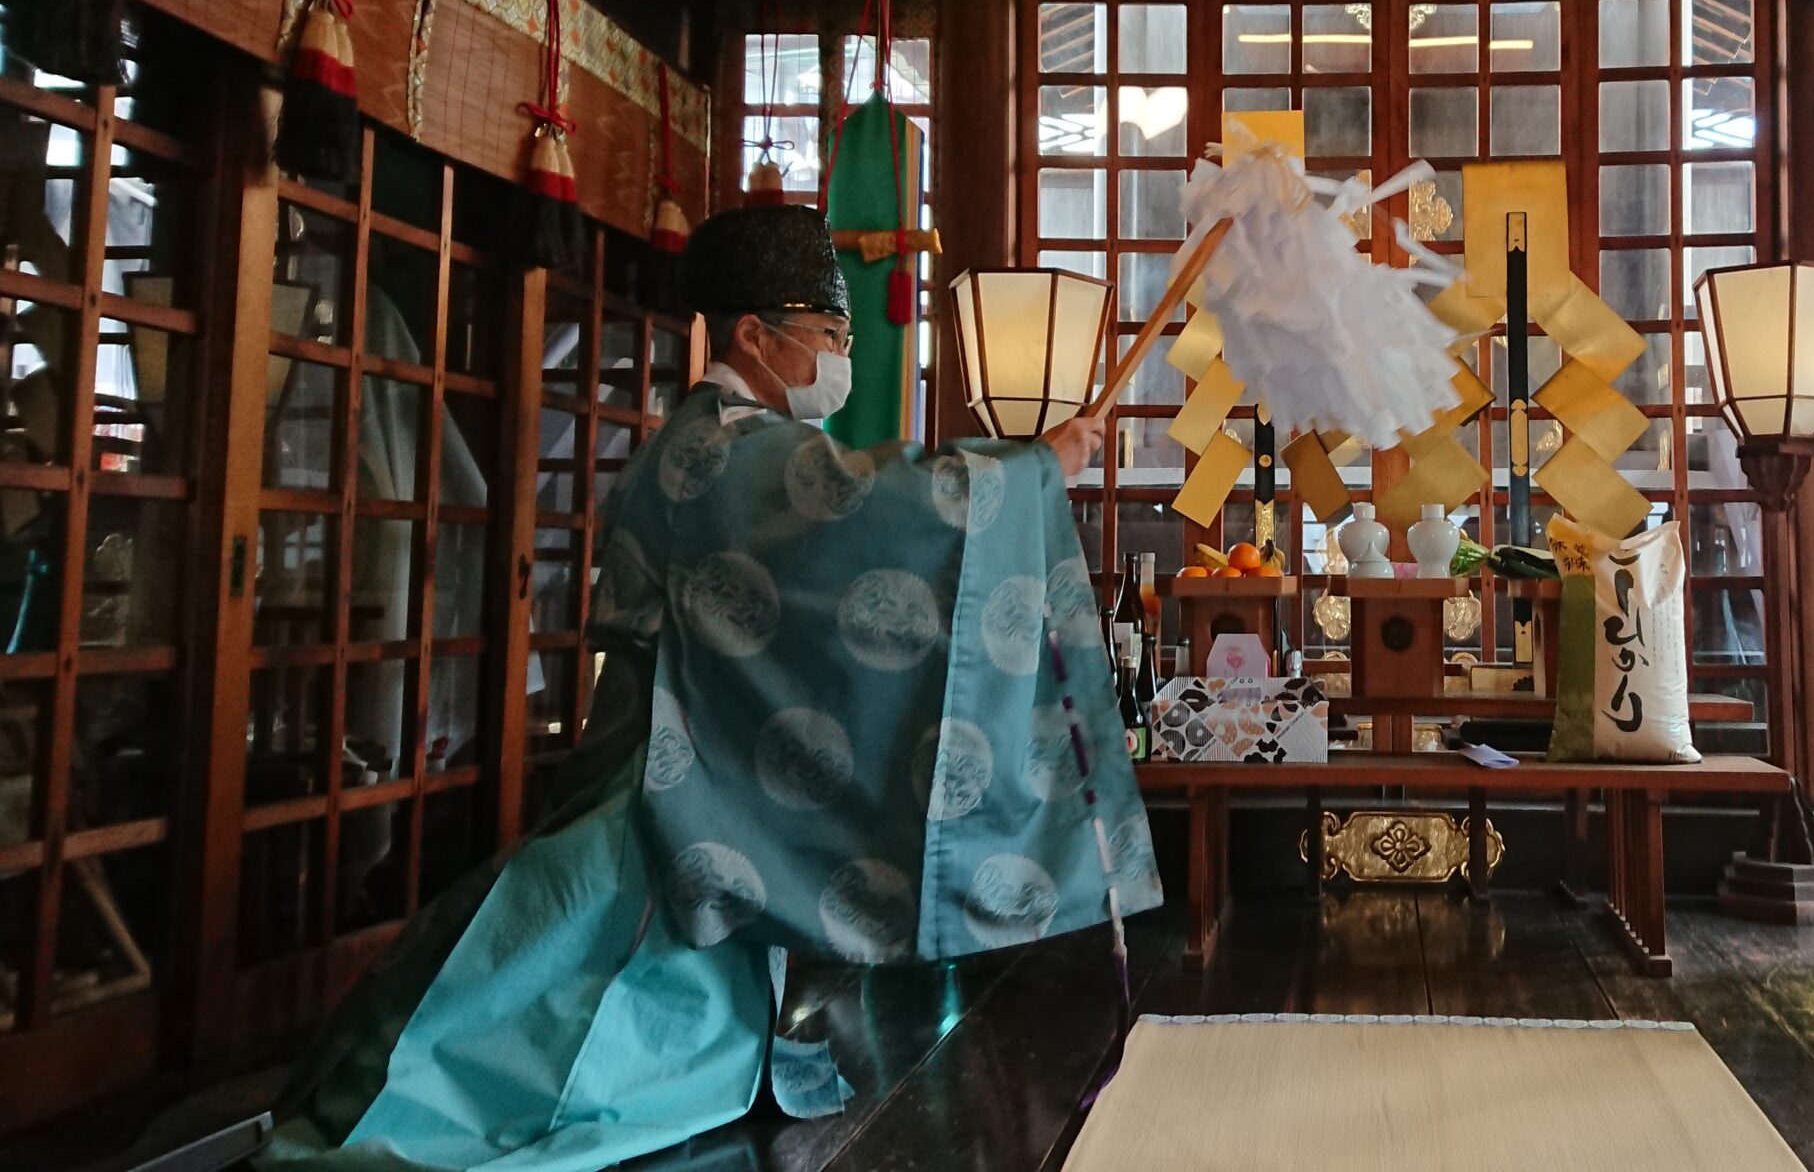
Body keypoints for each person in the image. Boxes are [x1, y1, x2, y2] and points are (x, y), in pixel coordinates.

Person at [260, 204, 1157, 1172]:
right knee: (566, 995)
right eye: (828, 335)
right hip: (666, 774)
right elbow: (872, 502)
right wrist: (1034, 468)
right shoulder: (724, 449)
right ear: (754, 337)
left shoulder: (723, 442)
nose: (840, 357)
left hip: (683, 751)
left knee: (586, 970)